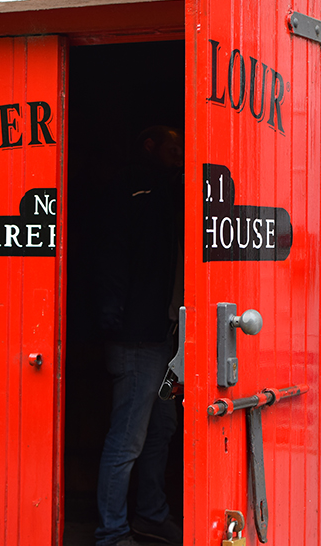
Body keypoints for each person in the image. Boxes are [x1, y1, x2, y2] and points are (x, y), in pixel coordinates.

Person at [94, 126, 184, 546]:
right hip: (136, 340)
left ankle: (150, 515)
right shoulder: (130, 192)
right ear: (149, 146)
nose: (179, 155)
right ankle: (111, 533)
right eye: (172, 148)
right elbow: (112, 258)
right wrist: (114, 320)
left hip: (164, 337)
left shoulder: (167, 193)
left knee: (161, 430)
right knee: (127, 439)